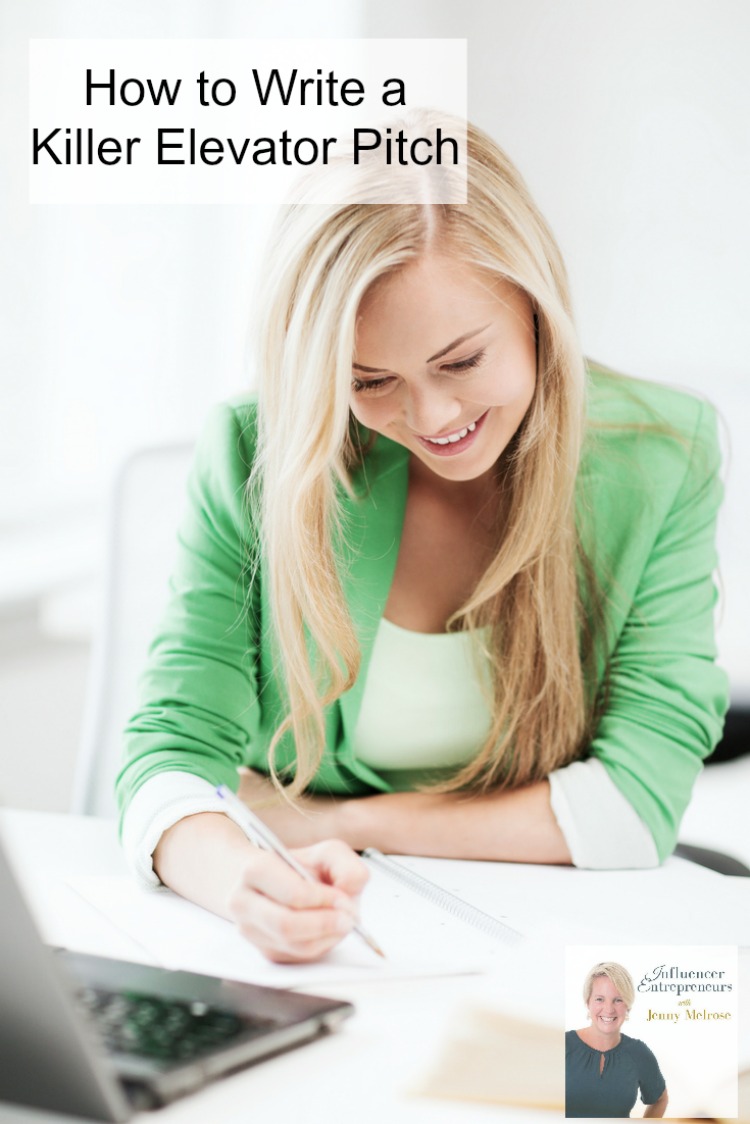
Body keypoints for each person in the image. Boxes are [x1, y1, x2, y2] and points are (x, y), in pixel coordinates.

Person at [117, 119, 728, 964]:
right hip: (328, 947)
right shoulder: (253, 449)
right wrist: (240, 882)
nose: (433, 418)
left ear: (535, 309)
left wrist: (344, 825)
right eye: (371, 381)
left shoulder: (665, 454)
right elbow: (167, 765)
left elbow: (637, 805)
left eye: (463, 361)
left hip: (549, 948)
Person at [566, 962, 668, 1118]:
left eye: (618, 1000)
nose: (609, 1009)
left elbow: (660, 1099)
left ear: (628, 1005)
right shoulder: (563, 1045)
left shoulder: (638, 1053)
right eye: (600, 999)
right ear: (588, 1002)